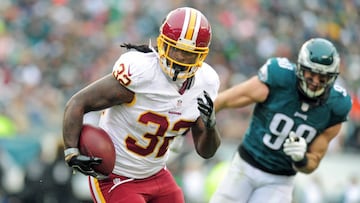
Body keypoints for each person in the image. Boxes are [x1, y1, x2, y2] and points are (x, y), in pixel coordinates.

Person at [62, 7, 221, 203]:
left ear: (200, 56)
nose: (179, 58)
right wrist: (71, 151)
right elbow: (78, 102)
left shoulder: (207, 82)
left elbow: (206, 152)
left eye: (187, 53)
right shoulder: (141, 73)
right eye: (175, 49)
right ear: (162, 43)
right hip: (116, 177)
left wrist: (211, 126)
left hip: (157, 173)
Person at [210, 38, 352, 203]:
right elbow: (224, 100)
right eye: (311, 73)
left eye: (323, 77)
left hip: (280, 180)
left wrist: (302, 159)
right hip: (245, 166)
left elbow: (314, 161)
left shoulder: (336, 105)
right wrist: (192, 124)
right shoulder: (280, 78)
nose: (315, 82)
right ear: (300, 68)